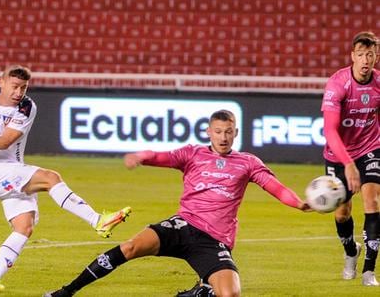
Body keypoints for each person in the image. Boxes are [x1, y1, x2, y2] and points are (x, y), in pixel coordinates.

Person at [44, 109, 309, 297]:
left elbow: (274, 187)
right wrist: (140, 155)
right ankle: (66, 292)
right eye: (218, 131)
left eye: (228, 132)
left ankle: (202, 291)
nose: (223, 137)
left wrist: (299, 204)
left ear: (235, 132)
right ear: (209, 131)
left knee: (230, 293)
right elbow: (160, 156)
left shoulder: (248, 162)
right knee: (130, 246)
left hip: (213, 239)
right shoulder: (193, 153)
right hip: (182, 225)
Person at [0, 65, 131, 292]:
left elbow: (4, 141)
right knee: (51, 178)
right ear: (1, 83)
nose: (19, 92)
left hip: (11, 169)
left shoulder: (26, 107)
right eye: (14, 86)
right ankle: (97, 221)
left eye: (23, 87)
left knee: (24, 227)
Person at [322, 31, 380, 286]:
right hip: (339, 154)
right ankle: (351, 252)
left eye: (370, 54)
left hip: (370, 147)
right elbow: (329, 130)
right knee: (342, 212)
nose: (365, 60)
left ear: (376, 57)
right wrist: (347, 164)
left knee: (372, 199)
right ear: (352, 57)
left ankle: (369, 270)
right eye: (360, 54)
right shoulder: (338, 84)